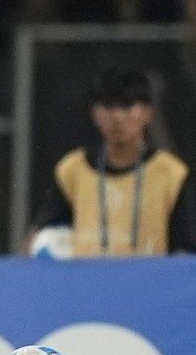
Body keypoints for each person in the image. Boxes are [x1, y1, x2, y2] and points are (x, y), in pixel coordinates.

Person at [30, 67, 196, 256]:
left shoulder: (171, 174)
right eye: (108, 106)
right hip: (87, 283)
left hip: (150, 283)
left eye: (127, 106)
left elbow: (185, 253)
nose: (117, 117)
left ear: (147, 113)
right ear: (94, 113)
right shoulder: (73, 169)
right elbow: (39, 236)